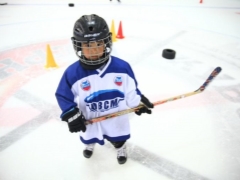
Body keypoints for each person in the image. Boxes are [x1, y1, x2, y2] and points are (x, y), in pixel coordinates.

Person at [55, 14, 153, 165]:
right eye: (88, 45)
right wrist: (71, 113)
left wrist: (137, 102)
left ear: (106, 43)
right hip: (89, 117)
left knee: (118, 137)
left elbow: (131, 91)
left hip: (116, 117)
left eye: (98, 43)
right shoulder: (73, 73)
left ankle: (120, 147)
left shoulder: (122, 68)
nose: (94, 50)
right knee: (89, 134)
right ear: (78, 46)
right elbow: (63, 94)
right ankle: (90, 143)